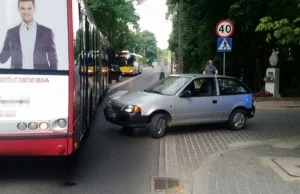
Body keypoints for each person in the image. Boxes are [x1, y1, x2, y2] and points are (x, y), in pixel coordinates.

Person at [0, 0, 58, 70]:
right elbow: (2, 59)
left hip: (40, 79)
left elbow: (53, 60)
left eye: (29, 8)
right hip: (18, 78)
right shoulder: (11, 33)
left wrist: (51, 78)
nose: (26, 12)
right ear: (19, 9)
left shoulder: (46, 32)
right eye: (22, 8)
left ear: (34, 8)